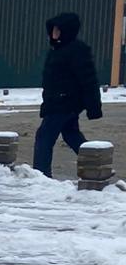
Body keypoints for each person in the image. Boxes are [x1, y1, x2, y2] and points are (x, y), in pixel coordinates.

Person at [34, 12, 103, 177]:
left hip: (65, 102)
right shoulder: (56, 50)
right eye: (53, 30)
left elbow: (88, 79)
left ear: (67, 31)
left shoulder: (77, 50)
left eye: (58, 30)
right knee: (71, 135)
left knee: (44, 137)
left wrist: (93, 107)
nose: (54, 33)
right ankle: (96, 164)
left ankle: (40, 175)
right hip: (56, 101)